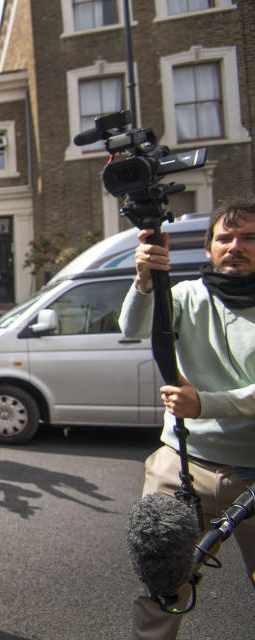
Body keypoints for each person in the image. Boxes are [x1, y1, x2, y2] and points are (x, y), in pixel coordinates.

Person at [119, 200, 255, 640]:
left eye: (250, 238)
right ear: (210, 247)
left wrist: (208, 403)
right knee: (162, 587)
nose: (236, 247)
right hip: (181, 465)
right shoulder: (185, 295)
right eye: (225, 238)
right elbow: (133, 327)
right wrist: (145, 280)